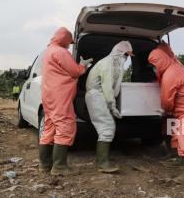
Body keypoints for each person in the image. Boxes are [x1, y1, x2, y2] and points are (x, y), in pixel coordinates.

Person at [39, 27, 93, 176]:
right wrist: (83, 66)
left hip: (49, 95)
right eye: (69, 42)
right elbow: (75, 71)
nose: (70, 45)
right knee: (65, 125)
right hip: (60, 95)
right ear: (64, 39)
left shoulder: (49, 51)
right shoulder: (61, 52)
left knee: (50, 126)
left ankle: (45, 164)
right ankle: (59, 166)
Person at [148, 46, 184, 185]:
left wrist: (165, 110)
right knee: (179, 135)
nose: (153, 68)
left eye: (154, 65)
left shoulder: (170, 74)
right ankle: (181, 161)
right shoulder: (174, 68)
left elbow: (167, 100)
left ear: (160, 61)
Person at [85, 41, 134, 173]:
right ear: (120, 53)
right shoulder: (108, 64)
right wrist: (113, 106)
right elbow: (107, 87)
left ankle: (101, 160)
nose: (126, 58)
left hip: (99, 95)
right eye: (126, 55)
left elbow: (111, 88)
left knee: (106, 126)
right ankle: (102, 163)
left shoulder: (113, 63)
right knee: (107, 127)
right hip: (97, 95)